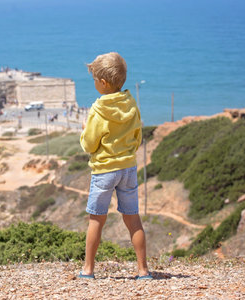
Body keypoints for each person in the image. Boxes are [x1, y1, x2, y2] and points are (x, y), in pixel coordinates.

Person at [78, 52, 151, 280]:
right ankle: (143, 270)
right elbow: (138, 136)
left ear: (103, 83)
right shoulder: (131, 104)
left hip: (104, 171)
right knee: (133, 219)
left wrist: (83, 131)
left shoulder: (98, 110)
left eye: (94, 80)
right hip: (128, 169)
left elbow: (90, 144)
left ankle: (88, 270)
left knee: (96, 219)